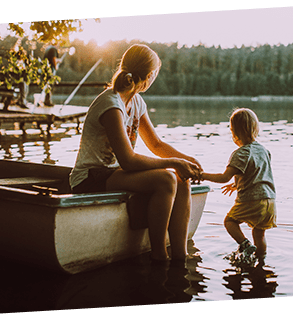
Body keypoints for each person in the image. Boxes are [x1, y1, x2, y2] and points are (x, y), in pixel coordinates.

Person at [69, 44, 202, 262]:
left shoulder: (136, 102)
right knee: (167, 179)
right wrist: (174, 163)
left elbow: (156, 144)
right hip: (89, 178)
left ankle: (180, 256)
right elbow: (129, 161)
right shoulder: (111, 104)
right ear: (150, 76)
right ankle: (159, 255)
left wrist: (186, 161)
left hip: (114, 174)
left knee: (181, 178)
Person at [201, 108, 277, 266]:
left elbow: (223, 177)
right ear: (256, 129)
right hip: (269, 201)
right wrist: (236, 185)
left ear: (234, 132)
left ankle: (245, 244)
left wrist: (202, 175)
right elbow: (256, 174)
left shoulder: (241, 153)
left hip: (251, 200)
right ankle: (260, 262)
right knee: (259, 233)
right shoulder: (264, 151)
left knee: (230, 221)